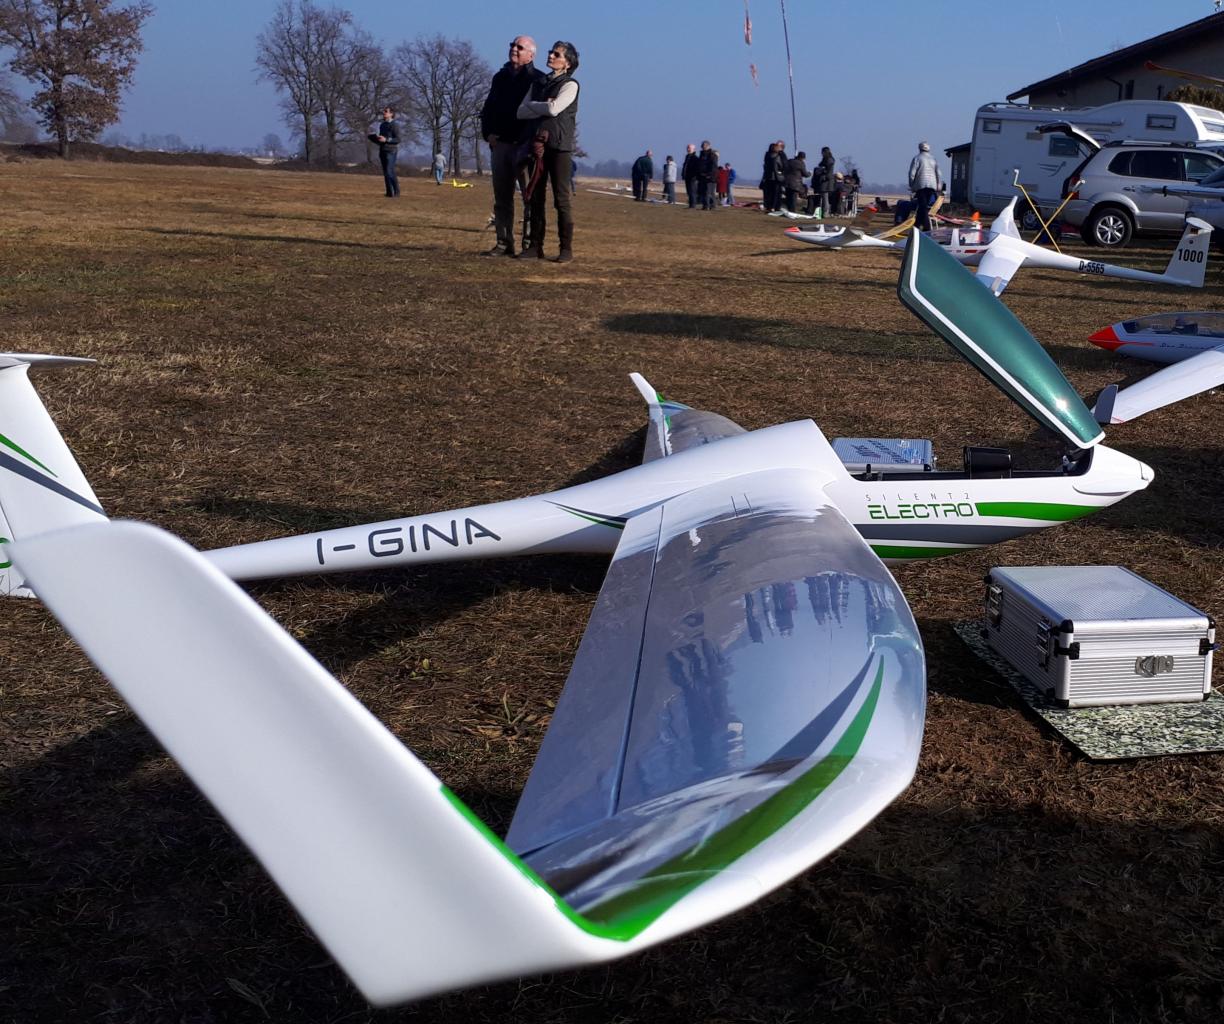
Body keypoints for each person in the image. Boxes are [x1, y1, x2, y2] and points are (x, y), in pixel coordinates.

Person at [516, 40, 580, 262]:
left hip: (560, 147)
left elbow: (554, 109)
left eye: (557, 54)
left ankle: (566, 249)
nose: (551, 56)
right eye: (551, 52)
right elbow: (521, 112)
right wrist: (543, 105)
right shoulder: (538, 83)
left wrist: (536, 105)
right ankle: (535, 246)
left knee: (561, 199)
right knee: (536, 197)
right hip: (537, 146)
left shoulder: (570, 85)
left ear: (568, 63)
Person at [479, 35, 543, 256]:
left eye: (520, 47)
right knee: (502, 198)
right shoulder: (500, 77)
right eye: (513, 45)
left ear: (530, 55)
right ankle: (504, 242)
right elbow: (488, 107)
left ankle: (529, 245)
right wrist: (488, 134)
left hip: (524, 147)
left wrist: (531, 141)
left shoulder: (537, 79)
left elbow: (539, 115)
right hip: (501, 145)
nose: (514, 49)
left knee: (529, 198)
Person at [908, 141, 942, 232]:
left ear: (919, 148)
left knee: (922, 207)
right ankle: (916, 228)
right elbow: (938, 173)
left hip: (921, 185)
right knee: (922, 206)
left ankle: (927, 229)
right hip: (932, 186)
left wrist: (911, 185)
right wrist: (938, 185)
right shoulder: (933, 159)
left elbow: (912, 174)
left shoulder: (917, 158)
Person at [374, 106, 399, 198]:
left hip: (391, 151)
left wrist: (387, 140)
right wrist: (376, 139)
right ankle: (389, 192)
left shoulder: (394, 125)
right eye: (384, 111)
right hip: (382, 150)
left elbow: (398, 139)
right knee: (386, 172)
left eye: (386, 111)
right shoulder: (382, 125)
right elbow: (382, 138)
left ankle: (396, 191)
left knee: (389, 171)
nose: (384, 113)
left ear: (391, 114)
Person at [813, 146, 835, 218]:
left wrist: (824, 175)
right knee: (824, 197)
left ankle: (825, 213)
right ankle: (824, 212)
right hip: (825, 180)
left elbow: (828, 171)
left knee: (825, 197)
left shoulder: (828, 160)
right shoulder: (828, 159)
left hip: (826, 181)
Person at [783, 149, 807, 213]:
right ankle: (792, 211)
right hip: (795, 184)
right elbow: (805, 174)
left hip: (787, 182)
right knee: (793, 199)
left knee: (788, 198)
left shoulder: (789, 161)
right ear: (803, 158)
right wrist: (810, 173)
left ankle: (788, 210)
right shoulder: (801, 163)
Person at [697, 140, 718, 210]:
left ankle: (711, 205)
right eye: (702, 146)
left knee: (709, 192)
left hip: (710, 177)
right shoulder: (702, 154)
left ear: (708, 146)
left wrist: (709, 175)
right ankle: (706, 205)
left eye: (705, 145)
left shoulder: (712, 155)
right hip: (702, 176)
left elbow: (714, 166)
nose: (703, 147)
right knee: (703, 192)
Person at [681, 143, 699, 208]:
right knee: (689, 191)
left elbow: (696, 168)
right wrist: (683, 174)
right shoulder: (687, 157)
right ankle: (690, 204)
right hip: (687, 177)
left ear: (693, 149)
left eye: (689, 148)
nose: (688, 149)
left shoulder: (695, 158)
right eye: (687, 148)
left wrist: (694, 176)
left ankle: (693, 205)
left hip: (692, 178)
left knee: (692, 191)